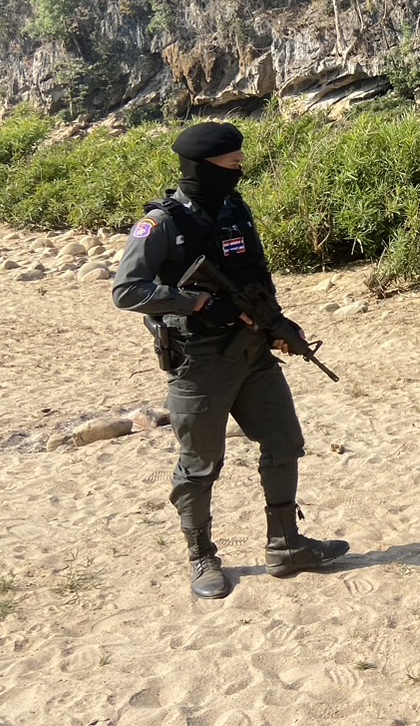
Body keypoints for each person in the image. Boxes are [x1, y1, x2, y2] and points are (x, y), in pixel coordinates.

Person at [112, 122, 348, 599]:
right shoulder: (161, 224)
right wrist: (197, 303)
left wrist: (278, 324)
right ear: (202, 167)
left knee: (284, 442)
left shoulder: (236, 209)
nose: (240, 171)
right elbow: (127, 291)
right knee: (200, 464)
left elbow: (255, 276)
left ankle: (286, 545)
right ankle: (201, 557)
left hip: (253, 352)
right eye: (232, 164)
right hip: (199, 362)